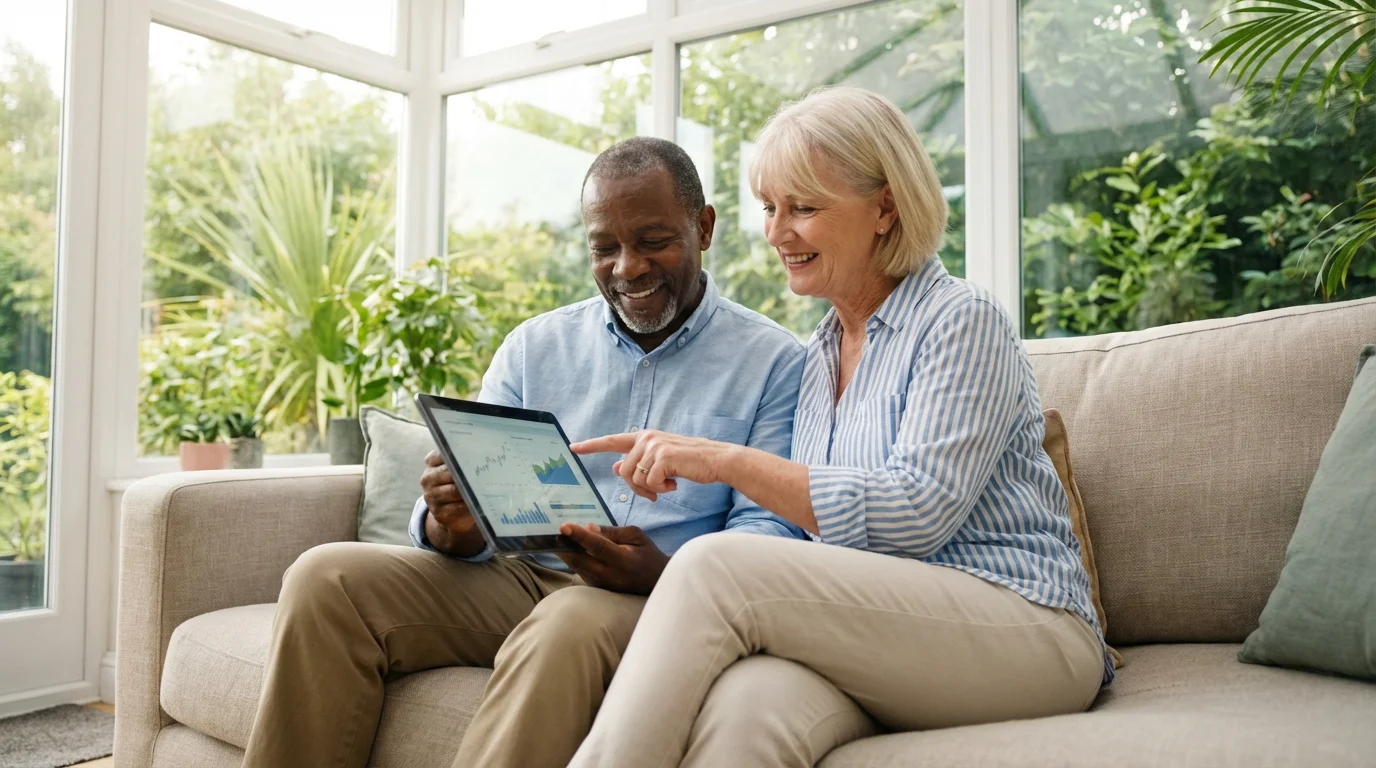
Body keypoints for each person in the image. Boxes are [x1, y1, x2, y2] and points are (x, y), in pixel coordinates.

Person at [566, 87, 1115, 768]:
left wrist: (725, 461)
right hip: (889, 636)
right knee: (747, 709)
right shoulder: (820, 354)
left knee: (715, 566)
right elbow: (807, 538)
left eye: (804, 208)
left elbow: (916, 512)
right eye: (770, 208)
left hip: (1027, 630)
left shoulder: (961, 319)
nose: (776, 232)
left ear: (884, 206)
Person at [240, 137, 808, 768]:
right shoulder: (534, 347)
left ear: (703, 227)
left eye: (652, 241)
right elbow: (476, 517)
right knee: (326, 578)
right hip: (519, 573)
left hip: (658, 598)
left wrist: (664, 571)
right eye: (604, 247)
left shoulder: (776, 362)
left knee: (568, 620)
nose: (626, 267)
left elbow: (769, 536)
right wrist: (449, 525)